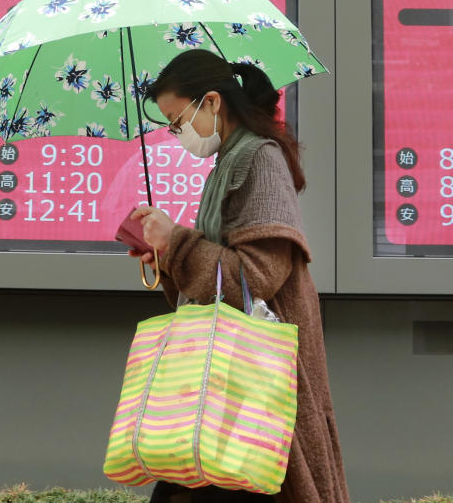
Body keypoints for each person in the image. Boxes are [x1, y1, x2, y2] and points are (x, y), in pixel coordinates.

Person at [129, 49, 350, 503]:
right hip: (223, 390)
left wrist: (177, 244)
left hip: (250, 392)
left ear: (211, 102)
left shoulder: (258, 159)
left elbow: (254, 279)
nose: (176, 134)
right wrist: (166, 257)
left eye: (176, 120)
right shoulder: (227, 162)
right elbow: (215, 283)